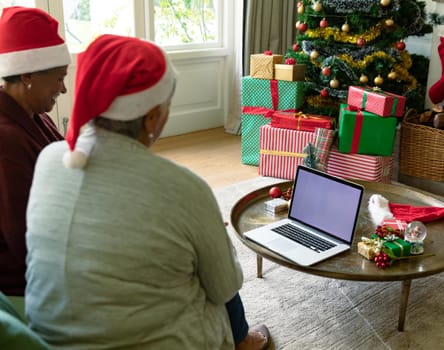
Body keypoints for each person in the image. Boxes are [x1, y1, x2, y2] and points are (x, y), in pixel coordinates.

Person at [25, 34, 269, 350]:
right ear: (152, 117)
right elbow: (226, 286)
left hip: (47, 340)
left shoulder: (48, 159)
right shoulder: (184, 187)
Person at [0, 6, 70, 295]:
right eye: (58, 78)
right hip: (27, 280)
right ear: (27, 75)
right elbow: (23, 241)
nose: (64, 89)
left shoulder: (35, 115)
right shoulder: (6, 140)